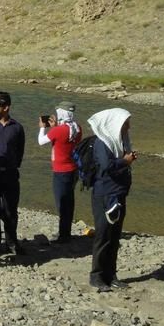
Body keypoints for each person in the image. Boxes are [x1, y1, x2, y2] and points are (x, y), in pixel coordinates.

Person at [88, 108, 137, 292]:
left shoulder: (121, 140)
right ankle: (97, 277)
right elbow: (106, 166)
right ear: (116, 123)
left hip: (119, 193)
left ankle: (111, 276)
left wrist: (127, 160)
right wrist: (125, 161)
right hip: (105, 195)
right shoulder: (102, 143)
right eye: (126, 123)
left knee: (115, 236)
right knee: (103, 236)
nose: (129, 126)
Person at [0, 91, 26, 255]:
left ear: (6, 107)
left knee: (10, 210)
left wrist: (13, 166)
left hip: (10, 174)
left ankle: (11, 242)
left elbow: (20, 151)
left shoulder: (17, 127)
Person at [38, 101, 83, 244]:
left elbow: (41, 141)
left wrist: (42, 128)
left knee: (61, 203)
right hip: (73, 169)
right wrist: (55, 127)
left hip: (61, 170)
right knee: (69, 201)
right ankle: (66, 232)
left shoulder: (59, 130)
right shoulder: (77, 128)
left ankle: (64, 236)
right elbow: (64, 140)